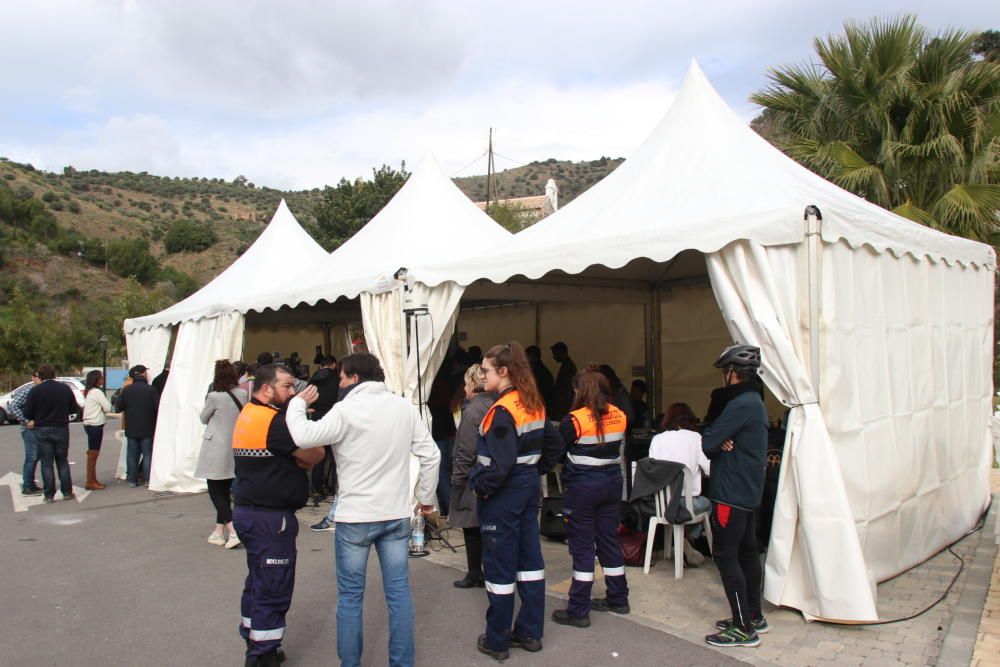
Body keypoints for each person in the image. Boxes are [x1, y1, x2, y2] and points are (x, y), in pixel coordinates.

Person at [285, 352, 440, 667]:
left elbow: (302, 435)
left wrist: (297, 404)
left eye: (342, 377)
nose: (339, 382)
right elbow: (431, 454)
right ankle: (401, 663)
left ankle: (351, 663)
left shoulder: (345, 410)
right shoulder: (403, 408)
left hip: (355, 517)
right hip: (395, 514)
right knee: (398, 596)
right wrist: (425, 499)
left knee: (351, 598)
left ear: (355, 377)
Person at [470, 342, 562, 661]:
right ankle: (530, 632)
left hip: (503, 493)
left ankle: (497, 640)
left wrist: (481, 486)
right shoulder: (532, 402)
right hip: (527, 487)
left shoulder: (501, 411)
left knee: (499, 566)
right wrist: (537, 468)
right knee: (530, 562)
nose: (482, 375)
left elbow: (501, 464)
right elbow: (554, 442)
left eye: (486, 370)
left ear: (504, 372)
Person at [232, 364, 325, 666]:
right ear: (266, 389)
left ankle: (252, 637)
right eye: (286, 386)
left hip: (248, 512)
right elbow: (316, 453)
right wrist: (302, 448)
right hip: (271, 519)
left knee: (258, 581)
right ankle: (262, 655)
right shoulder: (275, 422)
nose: (293, 391)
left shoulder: (248, 413)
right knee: (274, 586)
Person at [701, 344, 769, 648]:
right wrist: (721, 437)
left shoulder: (740, 404)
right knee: (747, 553)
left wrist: (719, 436)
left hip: (730, 492)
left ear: (732, 373)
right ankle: (754, 615)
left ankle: (743, 628)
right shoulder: (755, 401)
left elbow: (708, 440)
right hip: (748, 490)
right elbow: (718, 439)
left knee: (726, 557)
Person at [552, 367, 630, 628]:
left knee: (583, 547)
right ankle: (618, 598)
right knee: (609, 540)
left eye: (575, 389)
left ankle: (578, 610)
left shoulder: (574, 420)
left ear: (581, 390)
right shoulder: (620, 415)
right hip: (611, 485)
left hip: (583, 488)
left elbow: (555, 450)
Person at [649, 402, 712, 564]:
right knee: (708, 503)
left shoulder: (657, 439)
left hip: (662, 504)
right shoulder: (696, 438)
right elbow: (709, 469)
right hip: (687, 504)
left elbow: (652, 470)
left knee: (683, 505)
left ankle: (682, 542)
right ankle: (689, 539)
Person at [196, 360, 248, 549]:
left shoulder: (214, 396)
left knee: (215, 490)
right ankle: (218, 532)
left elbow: (203, 418)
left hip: (215, 447)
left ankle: (233, 530)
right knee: (224, 489)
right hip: (235, 446)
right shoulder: (242, 394)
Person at [450, 363, 493, 589]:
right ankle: (484, 571)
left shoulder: (472, 410)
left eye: (466, 384)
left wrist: (458, 478)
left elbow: (465, 448)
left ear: (471, 384)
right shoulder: (495, 404)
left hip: (474, 475)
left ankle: (475, 572)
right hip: (492, 474)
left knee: (471, 525)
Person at [23, 364, 79, 502]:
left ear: (40, 375)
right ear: (54, 374)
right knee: (62, 461)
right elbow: (73, 408)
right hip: (61, 427)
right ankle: (67, 492)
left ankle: (49, 495)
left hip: (42, 428)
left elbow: (27, 412)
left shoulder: (35, 391)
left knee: (46, 463)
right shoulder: (65, 388)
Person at [119, 365, 160, 488]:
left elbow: (119, 407)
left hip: (131, 427)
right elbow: (158, 407)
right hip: (147, 426)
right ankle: (147, 479)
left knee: (132, 454)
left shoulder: (126, 390)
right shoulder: (151, 389)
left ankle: (132, 479)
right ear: (142, 374)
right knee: (147, 453)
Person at [306, 355, 339, 507]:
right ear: (333, 364)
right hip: (334, 418)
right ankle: (335, 489)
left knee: (318, 457)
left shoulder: (313, 379)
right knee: (337, 456)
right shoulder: (338, 378)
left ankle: (317, 490)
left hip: (317, 418)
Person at [82, 370, 118, 491]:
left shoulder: (89, 392)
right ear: (97, 380)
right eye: (101, 378)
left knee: (92, 452)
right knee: (94, 453)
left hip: (89, 424)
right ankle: (90, 480)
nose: (103, 380)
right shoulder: (97, 392)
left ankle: (92, 478)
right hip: (95, 424)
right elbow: (107, 407)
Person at [8, 370, 42, 495]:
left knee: (36, 456)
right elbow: (13, 406)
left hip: (38, 428)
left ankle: (30, 483)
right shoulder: (28, 390)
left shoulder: (40, 391)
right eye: (38, 377)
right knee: (32, 456)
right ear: (33, 378)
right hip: (28, 429)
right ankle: (27, 486)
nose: (40, 380)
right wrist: (25, 420)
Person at [550, 341, 577, 420]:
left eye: (554, 353)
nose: (553, 356)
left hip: (563, 408)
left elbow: (567, 391)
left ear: (561, 352)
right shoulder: (567, 366)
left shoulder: (568, 368)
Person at [525, 345, 555, 415]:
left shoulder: (538, 373)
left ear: (532, 357)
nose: (525, 359)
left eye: (527, 356)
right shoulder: (543, 371)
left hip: (538, 408)